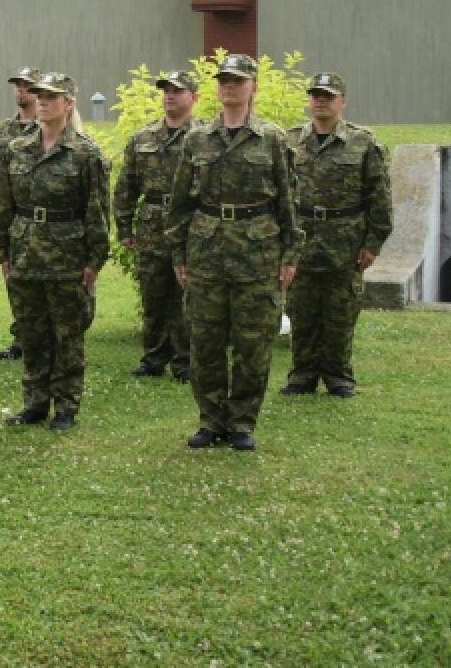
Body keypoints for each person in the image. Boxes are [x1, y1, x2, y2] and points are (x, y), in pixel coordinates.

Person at [165, 54, 302, 451]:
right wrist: (179, 255)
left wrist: (291, 254)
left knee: (253, 342)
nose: (230, 87)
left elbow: (290, 200)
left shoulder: (273, 138)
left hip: (258, 252)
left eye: (238, 81)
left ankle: (241, 422)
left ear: (252, 88)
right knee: (204, 340)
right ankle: (210, 420)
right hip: (206, 250)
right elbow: (179, 204)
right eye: (224, 80)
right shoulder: (197, 139)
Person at [0, 73, 109, 430]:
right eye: (39, 96)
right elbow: (4, 206)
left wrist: (93, 263)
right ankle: (35, 402)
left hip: (67, 255)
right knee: (32, 332)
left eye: (51, 97)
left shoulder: (86, 153)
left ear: (69, 103)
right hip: (25, 252)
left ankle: (67, 406)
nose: (41, 101)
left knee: (67, 334)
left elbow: (97, 212)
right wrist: (4, 252)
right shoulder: (17, 149)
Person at [282, 72, 393, 398]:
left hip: (345, 240)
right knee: (300, 308)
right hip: (303, 237)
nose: (321, 101)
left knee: (340, 309)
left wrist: (373, 242)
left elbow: (380, 197)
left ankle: (338, 376)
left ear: (342, 102)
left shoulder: (363, 143)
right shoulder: (290, 142)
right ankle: (302, 375)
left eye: (328, 96)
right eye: (316, 95)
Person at [114, 70, 201, 382]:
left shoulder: (204, 138)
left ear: (195, 97)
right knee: (153, 295)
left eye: (178, 90)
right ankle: (153, 357)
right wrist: (124, 227)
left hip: (190, 225)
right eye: (166, 90)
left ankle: (185, 361)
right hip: (151, 224)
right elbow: (126, 186)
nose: (170, 95)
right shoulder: (143, 138)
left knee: (186, 296)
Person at [0, 67, 42, 360]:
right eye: (18, 85)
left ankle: (41, 337)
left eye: (27, 86)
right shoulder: (4, 131)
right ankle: (21, 335)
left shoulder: (48, 127)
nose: (21, 90)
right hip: (10, 216)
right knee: (13, 276)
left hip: (40, 217)